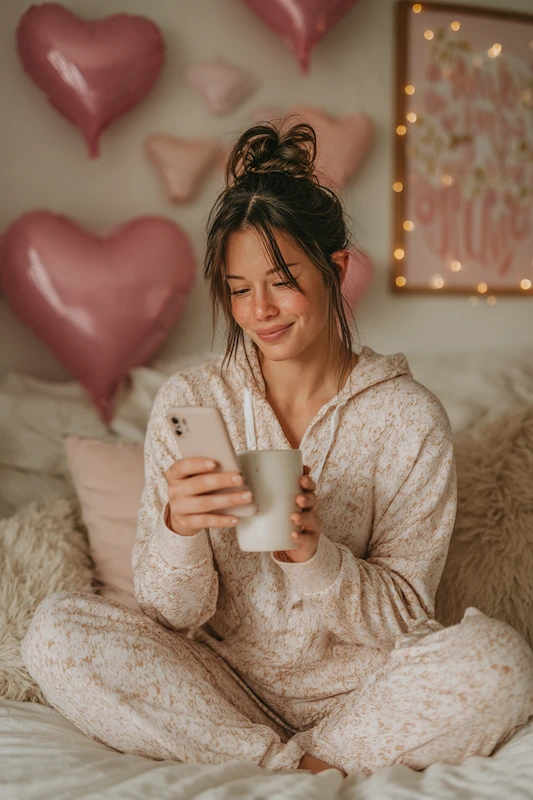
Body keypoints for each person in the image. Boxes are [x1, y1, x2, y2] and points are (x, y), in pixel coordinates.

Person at [22, 121, 533, 778]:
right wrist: (180, 528)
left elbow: (405, 621)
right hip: (219, 686)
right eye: (238, 289)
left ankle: (313, 758)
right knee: (56, 632)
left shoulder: (407, 417)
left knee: (498, 661)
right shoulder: (192, 400)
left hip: (370, 694)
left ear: (336, 270)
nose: (259, 310)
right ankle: (287, 767)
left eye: (282, 279)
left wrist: (313, 557)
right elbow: (169, 614)